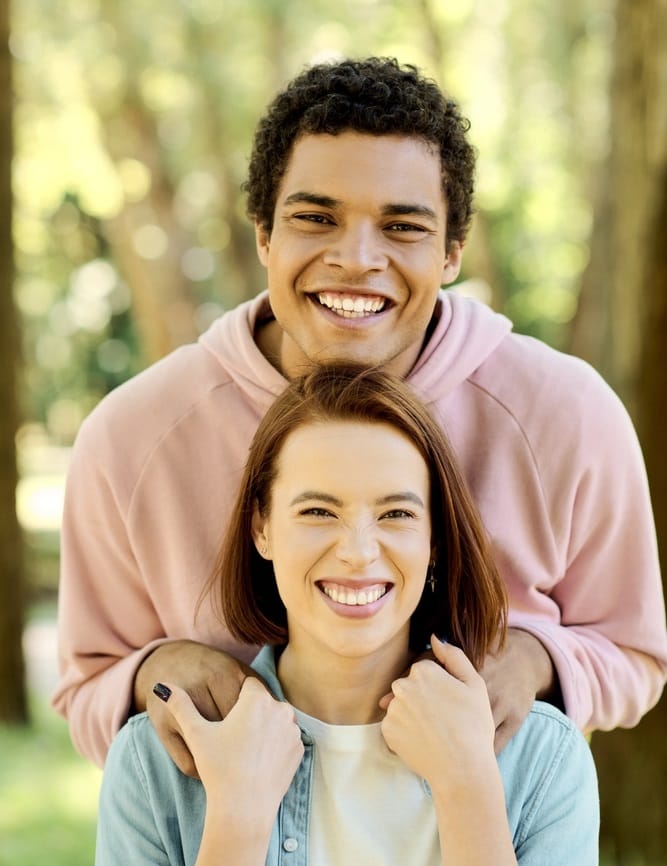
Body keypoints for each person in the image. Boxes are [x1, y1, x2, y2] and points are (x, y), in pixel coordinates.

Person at [53, 57, 667, 773]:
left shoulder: (567, 413)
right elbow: (85, 687)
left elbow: (634, 653)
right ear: (263, 234)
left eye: (402, 227)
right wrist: (158, 670)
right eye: (315, 218)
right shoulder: (130, 438)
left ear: (450, 252)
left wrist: (537, 660)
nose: (355, 258)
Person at [95, 365, 600, 866]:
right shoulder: (154, 763)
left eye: (396, 514)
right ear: (262, 528)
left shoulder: (542, 758)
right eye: (318, 512)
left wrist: (468, 787)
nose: (358, 553)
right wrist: (236, 821)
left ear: (436, 540)